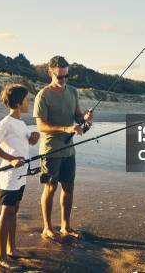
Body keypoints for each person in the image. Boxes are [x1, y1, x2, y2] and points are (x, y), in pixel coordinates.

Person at [33, 55, 94, 241]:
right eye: (60, 76)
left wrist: (84, 119)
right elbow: (41, 126)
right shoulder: (43, 95)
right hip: (51, 149)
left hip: (69, 149)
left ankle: (66, 226)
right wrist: (66, 128)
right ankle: (47, 228)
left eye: (66, 76)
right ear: (50, 73)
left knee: (69, 188)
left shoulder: (73, 91)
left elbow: (76, 115)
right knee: (50, 189)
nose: (64, 80)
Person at [0, 84, 40, 270]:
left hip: (21, 175)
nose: (29, 103)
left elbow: (26, 143)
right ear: (18, 103)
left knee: (14, 211)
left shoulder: (21, 123)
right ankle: (0, 257)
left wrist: (33, 137)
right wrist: (11, 159)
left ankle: (12, 249)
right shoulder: (6, 123)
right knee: (7, 213)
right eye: (27, 100)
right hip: (9, 176)